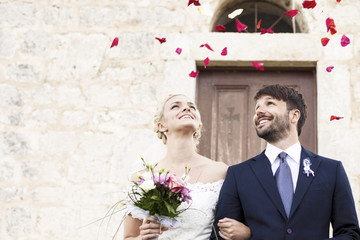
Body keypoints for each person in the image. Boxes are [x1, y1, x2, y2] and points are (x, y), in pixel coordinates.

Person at [210, 84, 360, 240]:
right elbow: (219, 236)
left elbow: (349, 234)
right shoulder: (238, 174)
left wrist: (251, 235)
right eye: (256, 109)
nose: (259, 112)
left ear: (294, 116)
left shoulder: (331, 170)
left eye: (270, 103)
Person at [124, 94, 251, 240]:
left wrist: (247, 233)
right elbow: (128, 237)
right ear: (161, 125)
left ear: (198, 123)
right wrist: (142, 237)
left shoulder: (221, 171)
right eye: (175, 106)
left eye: (192, 107)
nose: (186, 108)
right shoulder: (143, 178)